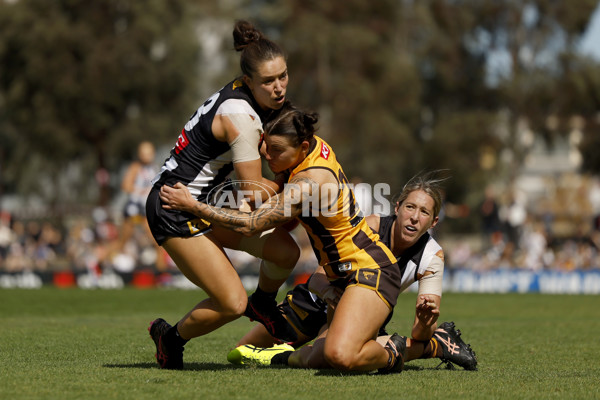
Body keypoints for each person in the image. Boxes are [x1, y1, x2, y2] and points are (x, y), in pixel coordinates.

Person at [160, 103, 416, 373]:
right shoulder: (310, 144)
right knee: (320, 359)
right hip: (339, 277)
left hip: (370, 270)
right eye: (265, 146)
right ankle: (276, 344)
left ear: (303, 148)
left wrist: (194, 206)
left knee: (340, 356)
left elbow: (251, 226)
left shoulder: (308, 184)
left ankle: (396, 349)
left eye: (276, 150)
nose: (267, 155)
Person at [146, 20, 301, 370]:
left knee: (285, 252)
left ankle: (262, 302)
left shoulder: (249, 97)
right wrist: (304, 190)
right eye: (268, 81)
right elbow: (254, 191)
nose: (279, 88)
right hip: (174, 206)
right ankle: (170, 337)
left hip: (204, 201)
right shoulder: (241, 116)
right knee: (231, 303)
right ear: (248, 82)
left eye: (283, 76)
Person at [229, 172, 477, 371]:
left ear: (434, 221)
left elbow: (419, 332)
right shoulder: (368, 227)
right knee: (241, 351)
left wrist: (426, 324)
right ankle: (429, 345)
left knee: (327, 358)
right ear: (397, 207)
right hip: (314, 301)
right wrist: (328, 293)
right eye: (410, 207)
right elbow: (317, 277)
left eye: (424, 212)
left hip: (358, 311)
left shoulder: (432, 257)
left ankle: (432, 345)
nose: (414, 217)